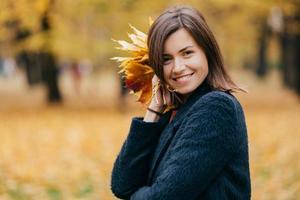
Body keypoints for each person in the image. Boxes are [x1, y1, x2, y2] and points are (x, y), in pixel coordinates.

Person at [111, 5, 251, 200]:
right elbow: (122, 185)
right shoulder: (174, 111)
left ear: (207, 51)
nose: (177, 68)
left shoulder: (217, 107)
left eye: (187, 53)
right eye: (166, 59)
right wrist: (154, 111)